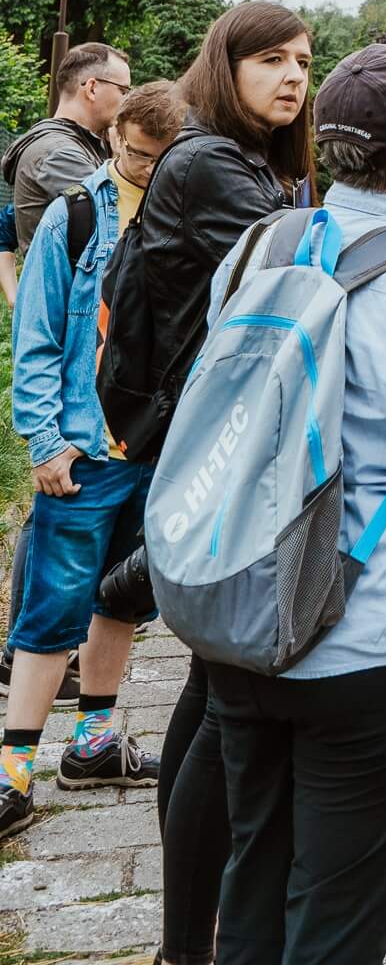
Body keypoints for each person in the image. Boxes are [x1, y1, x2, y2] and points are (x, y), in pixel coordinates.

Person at [203, 43, 386, 963]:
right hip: (371, 643)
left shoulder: (261, 243)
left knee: (254, 880)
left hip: (246, 624)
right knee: (340, 918)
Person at [148, 2, 315, 965]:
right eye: (270, 60)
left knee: (209, 686)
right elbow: (310, 274)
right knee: (221, 694)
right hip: (205, 453)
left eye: (302, 61)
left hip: (210, 446)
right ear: (227, 64)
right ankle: (186, 947)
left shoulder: (250, 162)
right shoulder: (211, 161)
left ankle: (187, 942)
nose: (292, 77)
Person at [0, 82, 185, 842]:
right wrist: (44, 440)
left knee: (124, 599)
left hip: (159, 448)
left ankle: (94, 747)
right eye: (128, 150)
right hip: (84, 450)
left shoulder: (191, 216)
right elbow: (38, 334)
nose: (137, 165)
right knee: (51, 609)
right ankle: (12, 778)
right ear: (114, 136)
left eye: (152, 156)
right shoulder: (78, 214)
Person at [1, 42, 131, 257]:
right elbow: (116, 224)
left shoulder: (73, 144)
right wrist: (123, 157)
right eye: (123, 90)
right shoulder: (60, 153)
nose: (126, 101)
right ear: (92, 88)